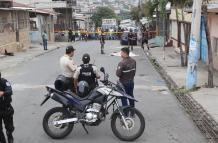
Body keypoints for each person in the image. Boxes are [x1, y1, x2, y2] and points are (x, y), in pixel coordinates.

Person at [0, 72, 14, 143]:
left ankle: (10, 137)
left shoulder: (4, 82)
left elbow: (10, 91)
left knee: (9, 128)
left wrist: (3, 93)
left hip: (6, 109)